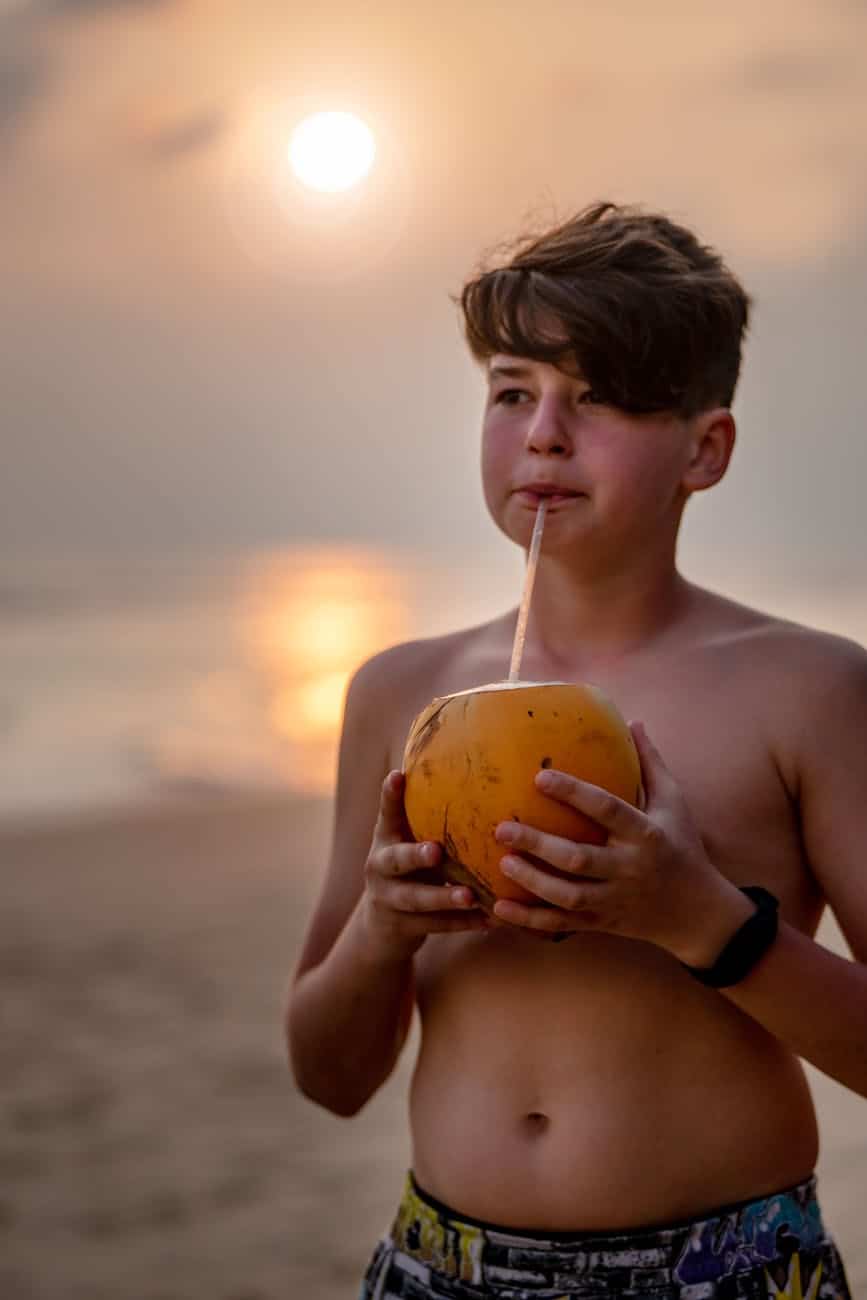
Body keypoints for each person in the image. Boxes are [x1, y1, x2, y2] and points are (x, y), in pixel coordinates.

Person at [286, 202, 863, 1298]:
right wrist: (382, 928)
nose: (544, 432)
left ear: (706, 448)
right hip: (440, 1267)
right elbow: (327, 1075)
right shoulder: (403, 696)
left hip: (724, 1272)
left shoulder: (809, 690)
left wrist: (702, 920)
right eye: (514, 391)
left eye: (596, 397)